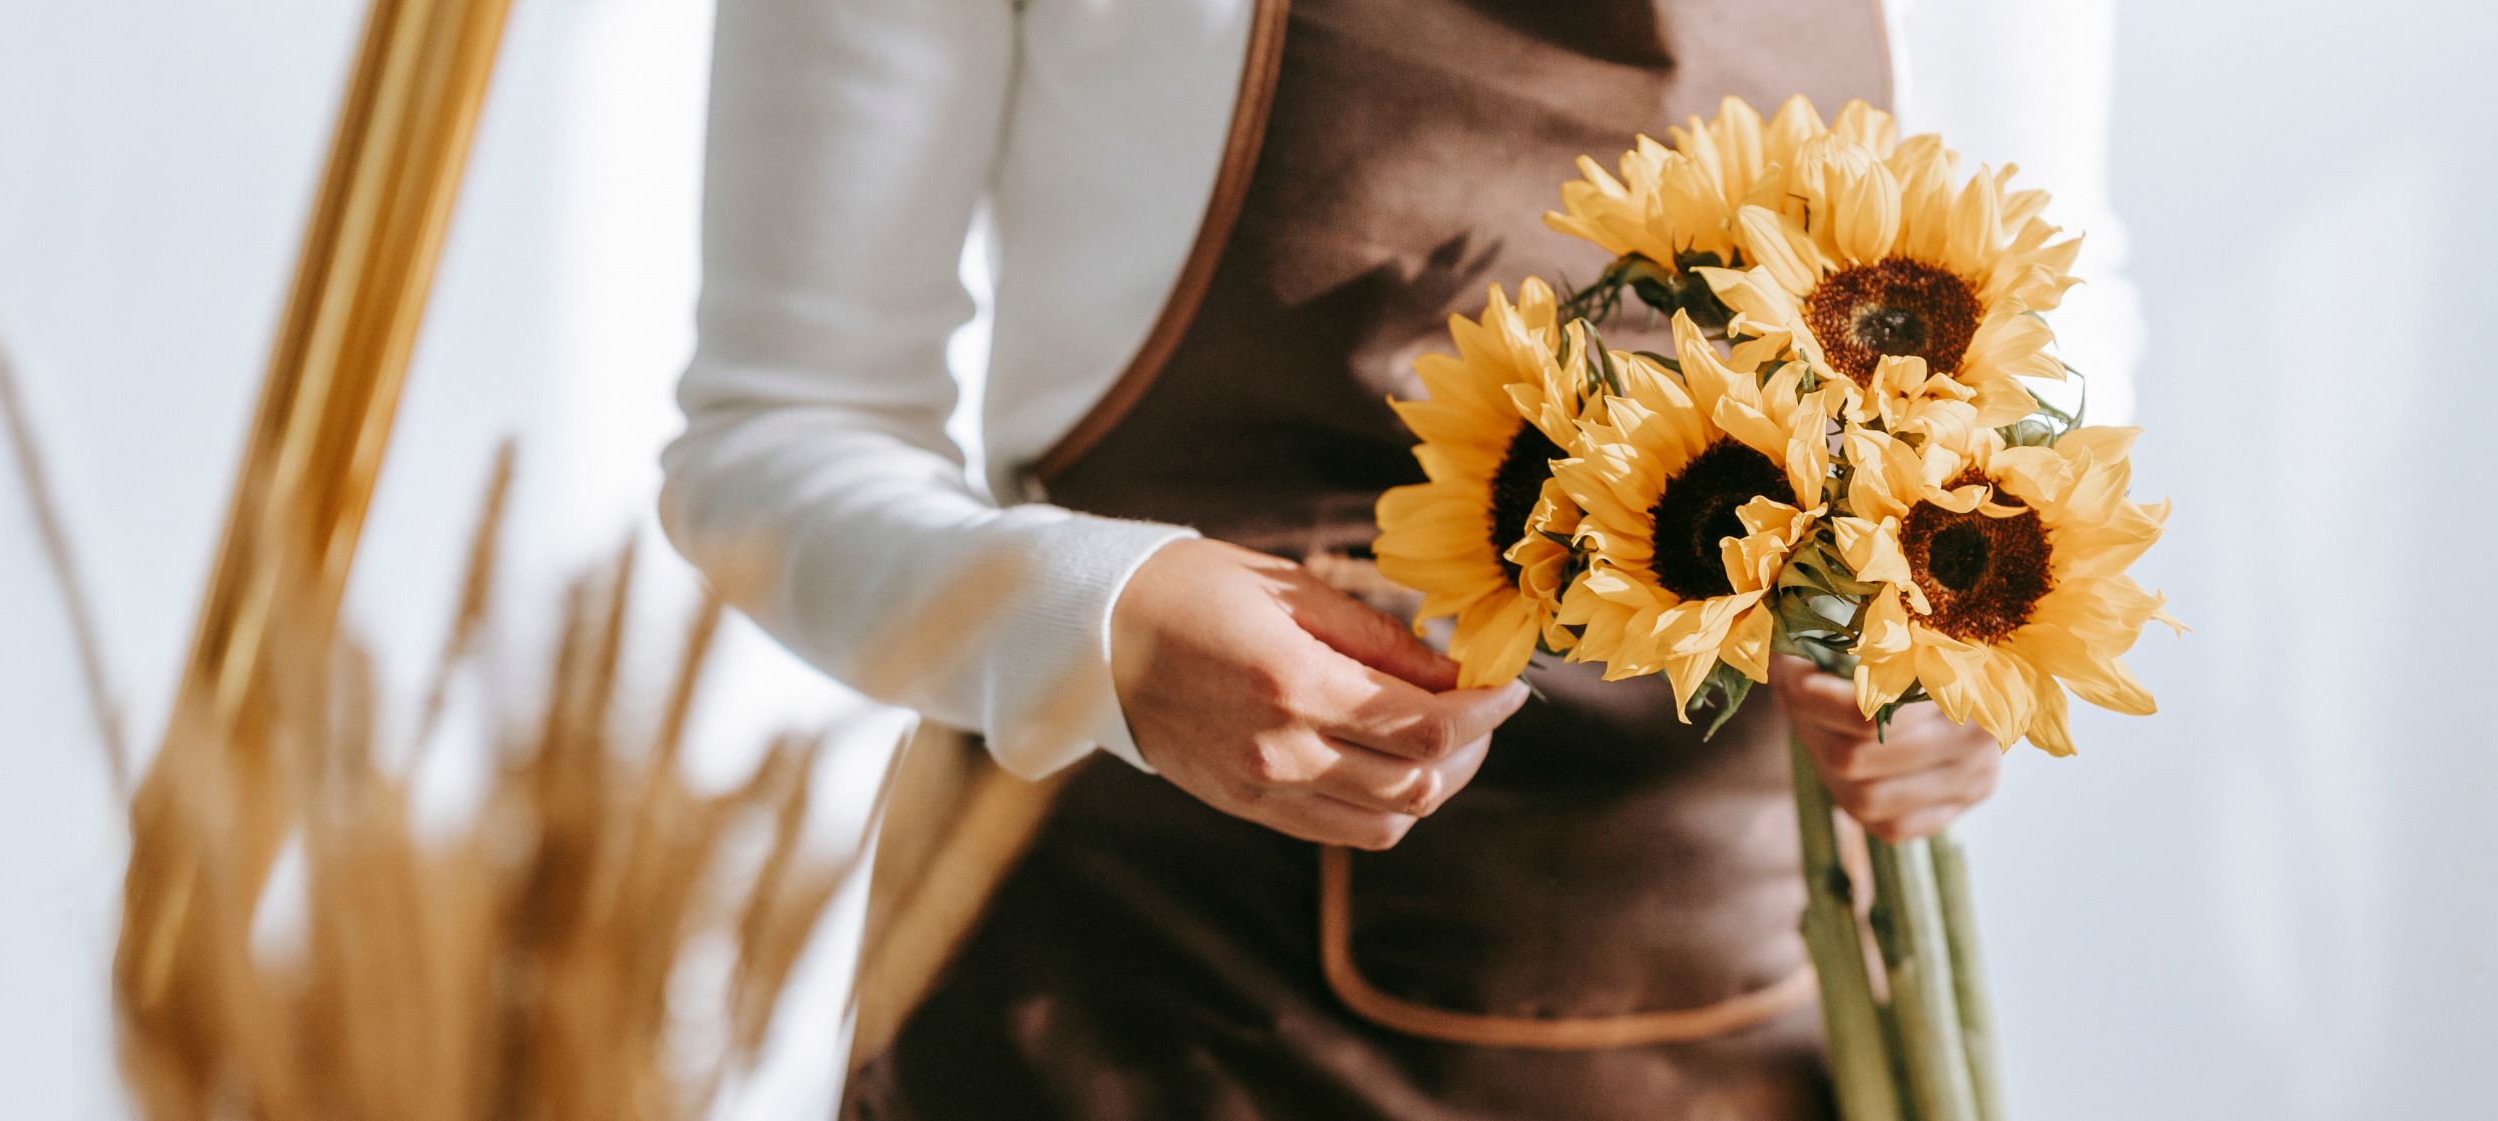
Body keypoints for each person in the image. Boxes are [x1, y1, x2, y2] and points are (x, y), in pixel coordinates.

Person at [662, 0, 2137, 1116]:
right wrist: (1090, 626)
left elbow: (2057, 295)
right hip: (1132, 994)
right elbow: (775, 429)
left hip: (1749, 1017)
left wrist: (1972, 633)